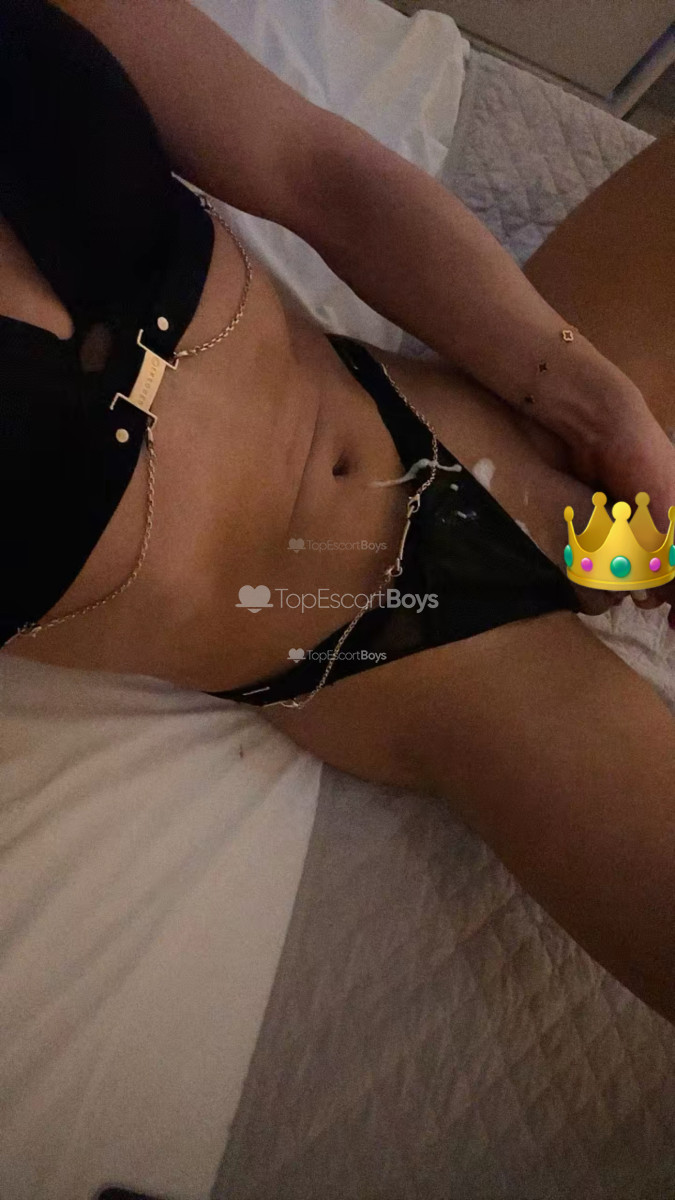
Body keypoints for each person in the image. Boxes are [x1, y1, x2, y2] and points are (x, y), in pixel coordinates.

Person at [2, 0, 674, 1023]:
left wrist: (601, 410)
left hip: (480, 412)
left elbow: (310, 167)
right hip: (400, 645)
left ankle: (615, 536)